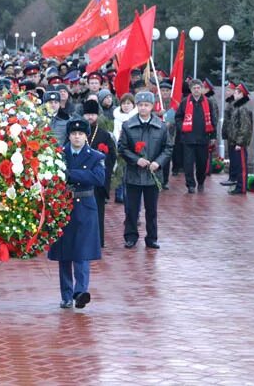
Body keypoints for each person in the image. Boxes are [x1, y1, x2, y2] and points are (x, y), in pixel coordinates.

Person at [48, 119, 105, 309]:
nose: (77, 137)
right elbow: (52, 176)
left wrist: (70, 174)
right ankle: (65, 295)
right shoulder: (58, 154)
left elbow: (98, 178)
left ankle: (80, 292)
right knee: (64, 254)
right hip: (63, 206)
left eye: (80, 134)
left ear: (86, 136)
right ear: (69, 135)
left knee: (82, 253)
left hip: (85, 206)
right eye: (73, 134)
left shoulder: (95, 156)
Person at [118, 91, 173, 249]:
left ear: (152, 106)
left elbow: (168, 148)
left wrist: (158, 162)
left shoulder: (160, 126)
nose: (143, 108)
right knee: (132, 209)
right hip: (134, 174)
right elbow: (122, 148)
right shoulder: (128, 125)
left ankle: (152, 237)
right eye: (140, 105)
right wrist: (136, 160)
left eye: (146, 105)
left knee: (152, 209)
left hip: (152, 175)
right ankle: (130, 236)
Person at [82, 100, 117, 248]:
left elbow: (112, 156)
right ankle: (82, 240)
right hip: (81, 180)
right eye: (87, 114)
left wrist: (100, 171)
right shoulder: (77, 134)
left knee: (98, 211)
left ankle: (98, 241)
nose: (90, 117)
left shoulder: (104, 135)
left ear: (97, 115)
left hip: (97, 180)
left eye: (93, 114)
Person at [174, 79, 217, 194]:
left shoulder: (208, 102)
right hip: (188, 139)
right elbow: (178, 118)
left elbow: (213, 120)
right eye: (194, 88)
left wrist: (213, 136)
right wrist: (182, 128)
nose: (196, 90)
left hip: (203, 138)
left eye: (198, 88)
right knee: (188, 164)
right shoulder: (184, 102)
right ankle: (190, 185)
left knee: (202, 163)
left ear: (202, 89)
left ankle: (201, 182)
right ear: (191, 90)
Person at [225, 83, 253, 195]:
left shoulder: (243, 108)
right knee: (238, 165)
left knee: (242, 166)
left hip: (239, 142)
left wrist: (239, 142)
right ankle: (239, 185)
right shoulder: (239, 107)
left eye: (236, 92)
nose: (234, 94)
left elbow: (245, 127)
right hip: (235, 141)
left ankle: (242, 188)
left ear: (241, 94)